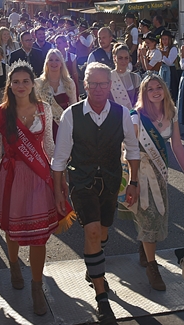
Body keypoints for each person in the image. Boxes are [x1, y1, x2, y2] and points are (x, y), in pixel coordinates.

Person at [52, 63, 141, 325]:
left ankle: (93, 268)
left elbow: (132, 149)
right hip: (82, 181)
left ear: (110, 85)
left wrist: (134, 181)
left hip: (111, 181)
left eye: (103, 84)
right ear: (85, 84)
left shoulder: (122, 113)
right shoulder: (71, 114)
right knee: (91, 231)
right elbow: (60, 157)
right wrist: (58, 189)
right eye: (93, 84)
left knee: (102, 232)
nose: (98, 89)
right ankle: (102, 298)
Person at [0, 63, 63, 317]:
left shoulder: (44, 109)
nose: (21, 86)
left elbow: (49, 147)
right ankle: (14, 263)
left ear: (32, 84)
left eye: (25, 81)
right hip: (12, 178)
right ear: (10, 85)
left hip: (39, 176)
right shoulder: (0, 114)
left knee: (39, 235)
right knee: (14, 229)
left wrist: (59, 180)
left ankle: (37, 286)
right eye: (16, 82)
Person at [129, 75, 184, 290]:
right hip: (141, 172)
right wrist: (132, 180)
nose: (156, 91)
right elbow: (130, 149)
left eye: (159, 87)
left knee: (156, 215)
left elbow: (177, 145)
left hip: (160, 172)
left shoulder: (171, 113)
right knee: (149, 216)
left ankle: (144, 247)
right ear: (144, 93)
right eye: (150, 89)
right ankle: (152, 267)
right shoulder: (137, 116)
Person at [35, 49, 78, 138]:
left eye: (57, 60)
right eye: (51, 60)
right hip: (46, 126)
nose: (54, 63)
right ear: (47, 63)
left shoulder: (69, 82)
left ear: (61, 63)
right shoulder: (38, 83)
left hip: (65, 124)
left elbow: (74, 105)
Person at [110, 43, 140, 109]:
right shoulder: (109, 77)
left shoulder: (135, 78)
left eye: (126, 58)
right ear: (114, 58)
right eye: (120, 58)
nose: (123, 61)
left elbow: (139, 99)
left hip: (131, 113)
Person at [158, 30, 179, 96]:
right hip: (162, 69)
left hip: (170, 71)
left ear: (169, 39)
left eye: (166, 39)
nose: (164, 41)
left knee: (171, 90)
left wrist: (162, 55)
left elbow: (169, 62)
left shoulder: (173, 48)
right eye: (163, 39)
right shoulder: (161, 48)